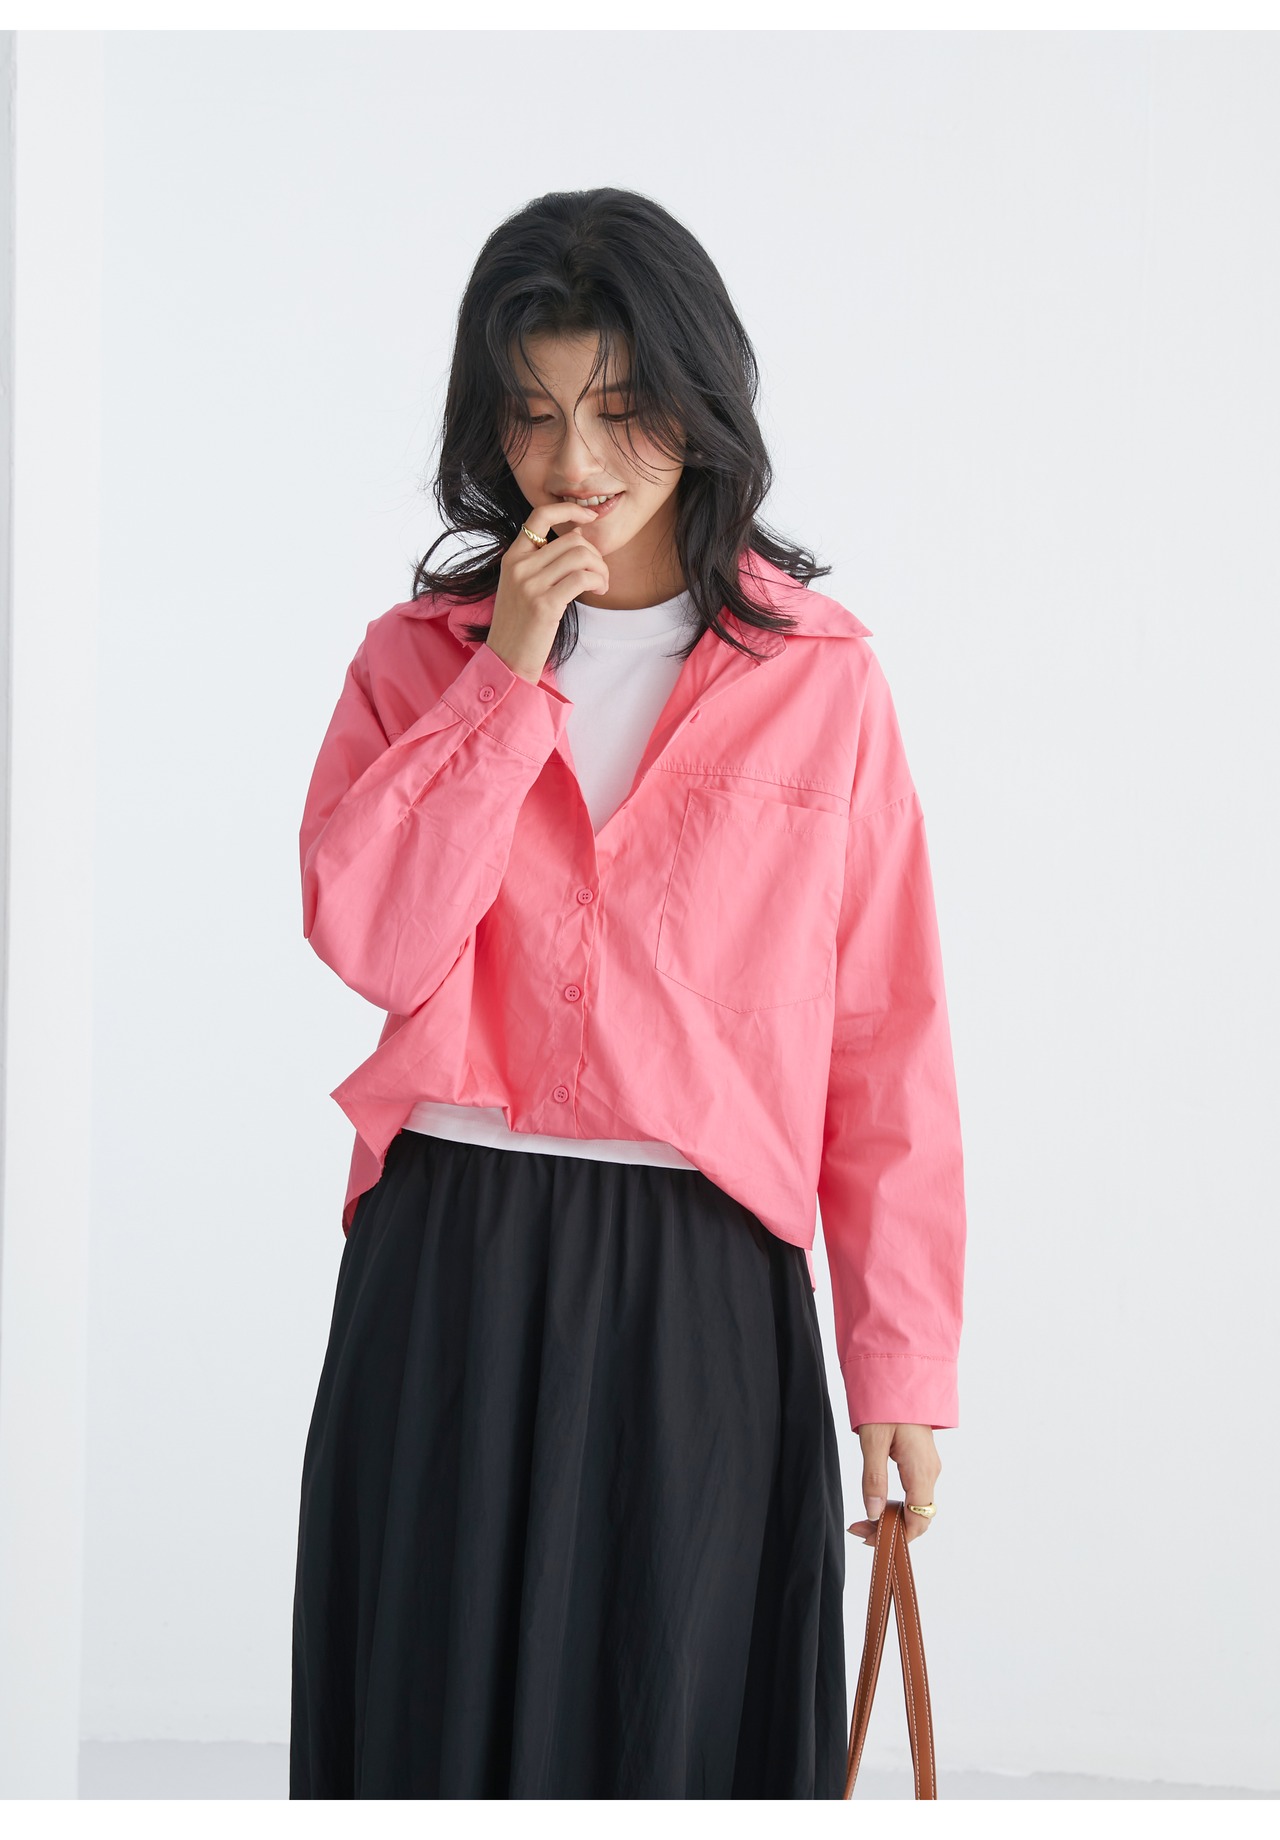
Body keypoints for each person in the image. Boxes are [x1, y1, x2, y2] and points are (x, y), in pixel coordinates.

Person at [288, 185, 967, 1800]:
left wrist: (899, 1367)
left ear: (699, 399)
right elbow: (373, 940)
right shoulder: (417, 659)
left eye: (618, 408)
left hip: (700, 1281)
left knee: (672, 1734)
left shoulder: (823, 681)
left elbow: (884, 1041)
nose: (574, 461)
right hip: (449, 1253)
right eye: (531, 415)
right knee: (433, 1726)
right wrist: (506, 676)